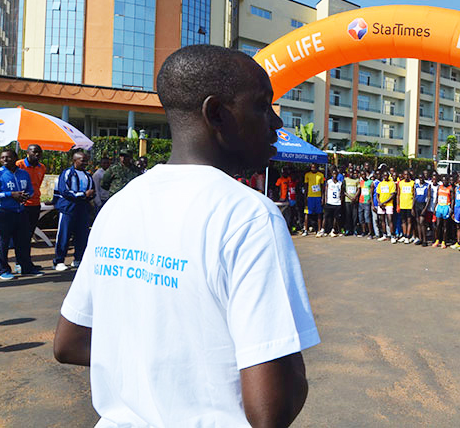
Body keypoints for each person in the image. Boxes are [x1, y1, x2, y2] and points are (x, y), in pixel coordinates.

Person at [54, 44, 319, 427]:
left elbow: (70, 341)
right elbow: (270, 409)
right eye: (263, 105)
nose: (276, 123)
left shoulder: (120, 206)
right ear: (216, 114)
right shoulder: (247, 215)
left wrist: (160, 369)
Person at [0, 149, 42, 279]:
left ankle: (26, 267)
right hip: (3, 212)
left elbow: (30, 190)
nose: (5, 160)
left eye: (8, 157)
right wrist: (10, 194)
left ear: (15, 158)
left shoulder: (24, 173)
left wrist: (25, 196)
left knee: (23, 241)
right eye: (2, 158)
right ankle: (2, 269)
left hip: (21, 211)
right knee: (3, 243)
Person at [53, 151, 96, 271]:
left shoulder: (88, 175)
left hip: (82, 208)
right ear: (75, 160)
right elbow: (64, 191)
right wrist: (83, 194)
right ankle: (59, 261)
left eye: (86, 160)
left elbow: (92, 190)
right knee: (64, 235)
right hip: (68, 208)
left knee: (82, 235)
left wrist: (90, 195)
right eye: (82, 160)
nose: (85, 163)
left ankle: (78, 259)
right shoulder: (67, 173)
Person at [16, 144, 46, 249]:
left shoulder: (42, 167)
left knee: (29, 235)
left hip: (35, 204)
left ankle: (26, 262)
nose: (37, 154)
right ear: (27, 153)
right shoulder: (19, 165)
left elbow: (38, 184)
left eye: (39, 152)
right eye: (34, 151)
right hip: (21, 205)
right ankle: (19, 263)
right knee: (20, 235)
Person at [319, 168, 342, 237]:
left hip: (337, 203)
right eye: (333, 174)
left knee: (335, 217)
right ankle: (322, 230)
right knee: (326, 216)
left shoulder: (340, 183)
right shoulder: (329, 182)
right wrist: (324, 200)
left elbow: (341, 193)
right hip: (329, 202)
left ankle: (333, 230)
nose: (335, 175)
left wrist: (340, 201)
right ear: (332, 174)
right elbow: (325, 191)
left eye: (336, 174)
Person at [302, 163, 324, 235]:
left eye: (314, 167)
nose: (313, 168)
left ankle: (319, 230)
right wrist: (305, 197)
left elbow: (322, 187)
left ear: (317, 167)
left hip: (318, 196)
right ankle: (305, 229)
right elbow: (306, 186)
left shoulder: (320, 175)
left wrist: (322, 198)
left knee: (319, 213)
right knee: (307, 213)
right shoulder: (307, 175)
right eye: (312, 167)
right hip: (310, 196)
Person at [376, 170, 396, 243]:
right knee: (382, 220)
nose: (385, 177)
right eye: (384, 176)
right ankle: (384, 235)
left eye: (386, 175)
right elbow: (377, 194)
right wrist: (379, 202)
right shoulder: (380, 184)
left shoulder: (392, 183)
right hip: (381, 204)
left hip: (389, 204)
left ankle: (392, 236)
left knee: (390, 220)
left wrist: (384, 202)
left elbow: (392, 195)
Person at [343, 168, 360, 236]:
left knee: (354, 216)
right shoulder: (345, 180)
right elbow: (344, 190)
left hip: (354, 201)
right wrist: (349, 197)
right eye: (349, 172)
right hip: (347, 200)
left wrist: (355, 197)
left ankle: (355, 230)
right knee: (348, 216)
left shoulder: (357, 180)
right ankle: (348, 230)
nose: (351, 174)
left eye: (352, 172)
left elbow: (358, 189)